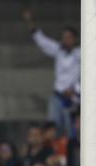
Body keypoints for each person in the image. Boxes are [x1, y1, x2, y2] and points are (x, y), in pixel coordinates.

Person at [23, 9, 80, 138]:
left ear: (74, 39)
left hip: (73, 98)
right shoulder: (58, 50)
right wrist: (29, 21)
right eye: (63, 37)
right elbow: (41, 40)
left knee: (72, 132)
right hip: (57, 96)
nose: (65, 40)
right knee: (53, 130)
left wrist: (76, 90)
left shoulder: (80, 54)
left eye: (68, 37)